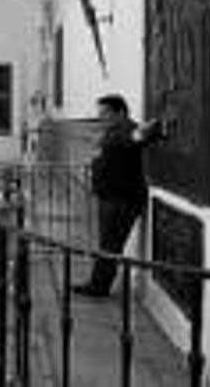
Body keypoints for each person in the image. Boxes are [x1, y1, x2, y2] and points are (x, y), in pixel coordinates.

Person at [73, 94, 162, 297]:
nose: (100, 116)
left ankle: (99, 286)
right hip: (111, 197)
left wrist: (147, 131)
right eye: (100, 112)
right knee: (108, 243)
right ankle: (98, 283)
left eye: (105, 112)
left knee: (110, 245)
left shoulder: (128, 129)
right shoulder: (114, 130)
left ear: (120, 112)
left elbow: (136, 138)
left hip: (121, 200)